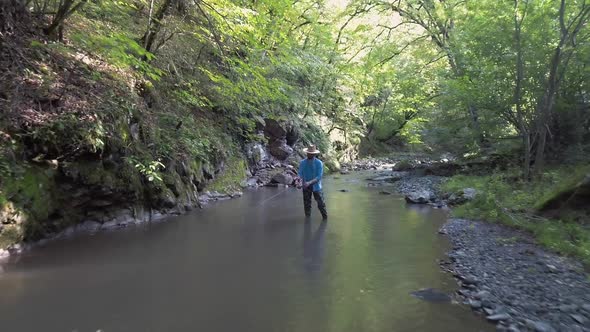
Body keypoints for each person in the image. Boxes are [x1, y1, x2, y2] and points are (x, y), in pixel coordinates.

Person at [298, 144, 328, 220]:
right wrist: (298, 181)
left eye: (311, 154)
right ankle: (307, 220)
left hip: (316, 186)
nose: (309, 154)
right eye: (308, 153)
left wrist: (309, 182)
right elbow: (300, 174)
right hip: (305, 186)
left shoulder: (319, 163)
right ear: (307, 153)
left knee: (321, 203)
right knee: (307, 204)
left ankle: (325, 218)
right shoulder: (302, 162)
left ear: (314, 154)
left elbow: (319, 177)